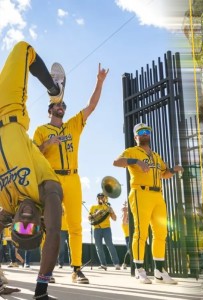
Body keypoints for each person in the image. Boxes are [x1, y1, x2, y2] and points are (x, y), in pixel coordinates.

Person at [33, 63, 109, 284]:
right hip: (52, 179)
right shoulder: (41, 130)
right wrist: (47, 144)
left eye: (63, 105)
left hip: (73, 177)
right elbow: (34, 154)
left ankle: (76, 269)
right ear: (50, 110)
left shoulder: (73, 125)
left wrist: (99, 82)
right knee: (50, 226)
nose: (61, 107)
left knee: (76, 225)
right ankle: (46, 270)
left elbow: (91, 106)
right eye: (57, 105)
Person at [0, 40, 64, 298]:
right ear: (41, 223)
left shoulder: (7, 204)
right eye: (32, 228)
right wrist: (40, 290)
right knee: (22, 49)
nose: (25, 221)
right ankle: (54, 89)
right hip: (7, 107)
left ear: (12, 223)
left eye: (20, 229)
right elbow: (55, 235)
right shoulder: (46, 189)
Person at [113, 123, 183, 285]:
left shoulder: (156, 156)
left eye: (147, 132)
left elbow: (164, 173)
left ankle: (159, 271)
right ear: (136, 136)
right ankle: (140, 270)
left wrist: (174, 170)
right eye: (141, 132)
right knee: (141, 232)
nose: (145, 134)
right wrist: (136, 162)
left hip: (158, 195)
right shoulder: (132, 151)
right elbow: (116, 162)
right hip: (140, 193)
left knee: (161, 233)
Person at [88, 193, 121, 270]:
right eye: (99, 197)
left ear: (105, 198)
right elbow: (89, 218)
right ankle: (103, 264)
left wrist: (112, 212)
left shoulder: (108, 207)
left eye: (102, 197)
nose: (100, 199)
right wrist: (96, 214)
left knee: (110, 245)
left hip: (106, 228)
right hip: (96, 229)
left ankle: (116, 263)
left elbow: (114, 218)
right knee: (98, 247)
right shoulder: (93, 207)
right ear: (96, 199)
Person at [121, 201, 131, 269]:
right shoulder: (124, 224)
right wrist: (126, 211)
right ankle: (124, 263)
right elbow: (124, 218)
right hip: (128, 238)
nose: (127, 219)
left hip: (134, 237)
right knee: (130, 250)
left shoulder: (132, 223)